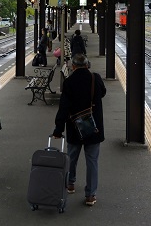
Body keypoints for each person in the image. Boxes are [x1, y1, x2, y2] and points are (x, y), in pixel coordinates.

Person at [52, 53, 106, 207]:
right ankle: (90, 195)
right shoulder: (96, 79)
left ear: (73, 66)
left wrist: (58, 129)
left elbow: (63, 107)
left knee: (71, 157)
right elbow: (103, 93)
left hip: (75, 127)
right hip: (93, 127)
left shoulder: (69, 82)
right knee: (92, 162)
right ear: (87, 65)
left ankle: (70, 184)